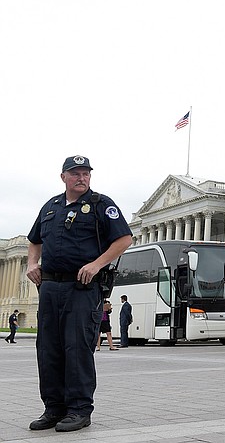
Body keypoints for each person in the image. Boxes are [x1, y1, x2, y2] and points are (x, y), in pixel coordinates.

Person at [26, 155, 132, 432]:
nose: (81, 178)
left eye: (86, 173)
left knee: (77, 348)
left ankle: (79, 410)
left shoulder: (101, 205)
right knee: (48, 349)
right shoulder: (51, 207)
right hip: (49, 287)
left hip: (82, 288)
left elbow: (124, 239)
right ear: (64, 177)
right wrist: (31, 264)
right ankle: (53, 408)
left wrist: (97, 264)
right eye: (75, 173)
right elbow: (34, 240)